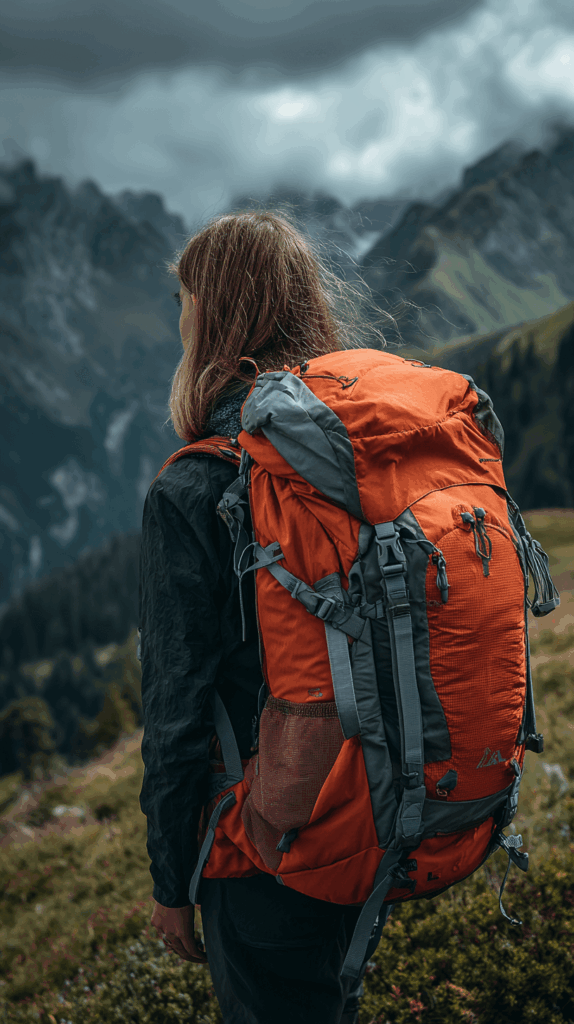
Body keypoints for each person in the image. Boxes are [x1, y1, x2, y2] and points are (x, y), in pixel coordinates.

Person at [138, 211, 391, 1024]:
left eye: (185, 299)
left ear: (210, 313)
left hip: (259, 841)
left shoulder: (194, 488)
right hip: (367, 807)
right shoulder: (358, 448)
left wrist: (172, 878)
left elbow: (177, 708)